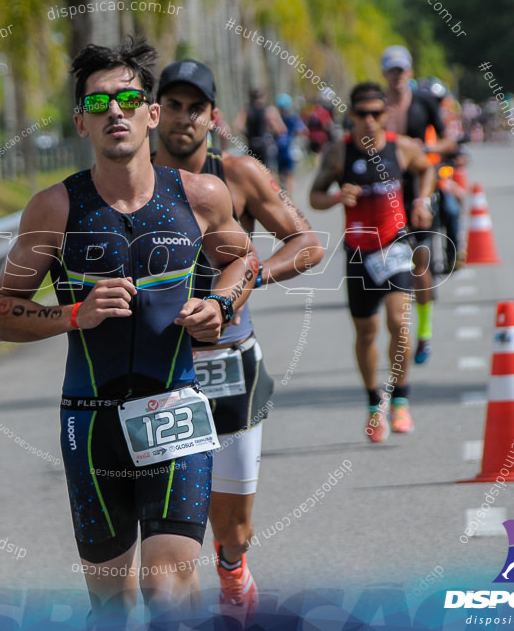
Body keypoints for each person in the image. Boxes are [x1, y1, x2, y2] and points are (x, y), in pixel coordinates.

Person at [0, 38, 258, 627]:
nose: (117, 110)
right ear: (81, 120)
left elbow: (243, 260)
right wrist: (71, 315)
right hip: (89, 424)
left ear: (151, 114)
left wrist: (220, 301)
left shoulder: (200, 195)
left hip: (176, 412)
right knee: (112, 606)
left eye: (130, 98)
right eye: (100, 101)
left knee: (168, 594)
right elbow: (1, 313)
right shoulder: (54, 209)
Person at [153, 59, 322, 628]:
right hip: (156, 366)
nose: (182, 118)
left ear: (212, 117)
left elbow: (307, 241)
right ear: (154, 113)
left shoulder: (241, 173)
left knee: (232, 527)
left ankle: (231, 568)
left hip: (229, 362)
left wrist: (247, 281)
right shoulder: (131, 179)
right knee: (167, 532)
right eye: (172, 106)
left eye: (194, 108)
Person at [309, 82, 434, 442]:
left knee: (398, 321)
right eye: (362, 114)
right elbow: (314, 196)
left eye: (376, 113)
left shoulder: (402, 147)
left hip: (394, 246)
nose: (369, 120)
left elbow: (426, 169)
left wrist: (422, 202)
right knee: (366, 332)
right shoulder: (338, 153)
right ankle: (372, 404)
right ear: (351, 115)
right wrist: (335, 197)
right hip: (358, 254)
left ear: (385, 115)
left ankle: (401, 399)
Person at [380, 45, 457, 365]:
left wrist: (426, 147)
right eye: (392, 70)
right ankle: (397, 330)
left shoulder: (425, 102)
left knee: (421, 262)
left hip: (420, 190)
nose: (398, 76)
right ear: (385, 74)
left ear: (410, 72)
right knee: (388, 267)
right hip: (384, 194)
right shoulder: (377, 107)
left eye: (402, 70)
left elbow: (449, 139)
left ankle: (423, 333)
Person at [232, 88, 286, 166]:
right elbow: (280, 129)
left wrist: (247, 134)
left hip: (252, 144)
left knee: (255, 169)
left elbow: (237, 125)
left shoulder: (247, 109)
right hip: (265, 145)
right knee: (269, 171)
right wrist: (273, 134)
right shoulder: (269, 110)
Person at [274, 93, 308, 194]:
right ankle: (289, 197)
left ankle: (283, 193)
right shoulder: (293, 117)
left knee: (281, 175)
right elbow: (303, 130)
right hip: (289, 148)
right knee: (290, 175)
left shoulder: (276, 117)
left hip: (278, 149)